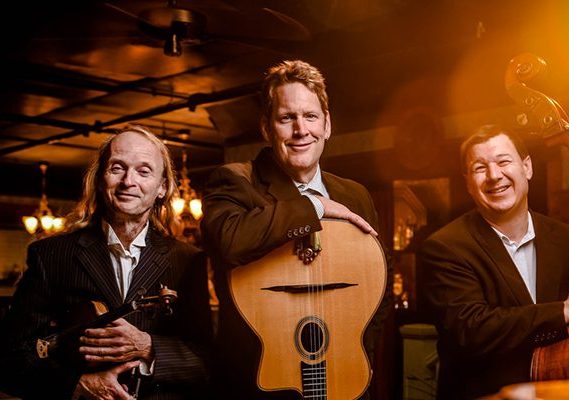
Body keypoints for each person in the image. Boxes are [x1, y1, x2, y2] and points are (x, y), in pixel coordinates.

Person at [201, 60, 391, 399]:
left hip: (344, 376)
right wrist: (315, 207)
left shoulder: (355, 195)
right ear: (266, 127)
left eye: (311, 116)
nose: (301, 130)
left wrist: (361, 350)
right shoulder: (235, 181)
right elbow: (230, 242)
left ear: (327, 125)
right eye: (287, 118)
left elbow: (379, 281)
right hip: (260, 384)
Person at [417, 124, 569, 400]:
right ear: (468, 183)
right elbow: (471, 331)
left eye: (503, 162)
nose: (494, 175)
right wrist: (565, 310)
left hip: (561, 392)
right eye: (480, 168)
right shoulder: (445, 247)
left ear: (527, 167)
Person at [0, 125, 212, 399]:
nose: (128, 181)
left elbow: (208, 360)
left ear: (162, 187)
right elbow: (9, 358)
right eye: (117, 168)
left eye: (144, 171)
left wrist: (147, 346)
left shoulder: (189, 260)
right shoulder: (49, 255)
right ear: (100, 179)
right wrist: (78, 385)